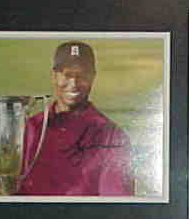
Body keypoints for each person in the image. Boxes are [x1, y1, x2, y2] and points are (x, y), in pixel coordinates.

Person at [14, 41, 133, 196]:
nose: (74, 83)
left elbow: (114, 203)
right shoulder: (30, 129)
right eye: (67, 75)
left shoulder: (112, 137)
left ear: (93, 77)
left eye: (82, 75)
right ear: (54, 76)